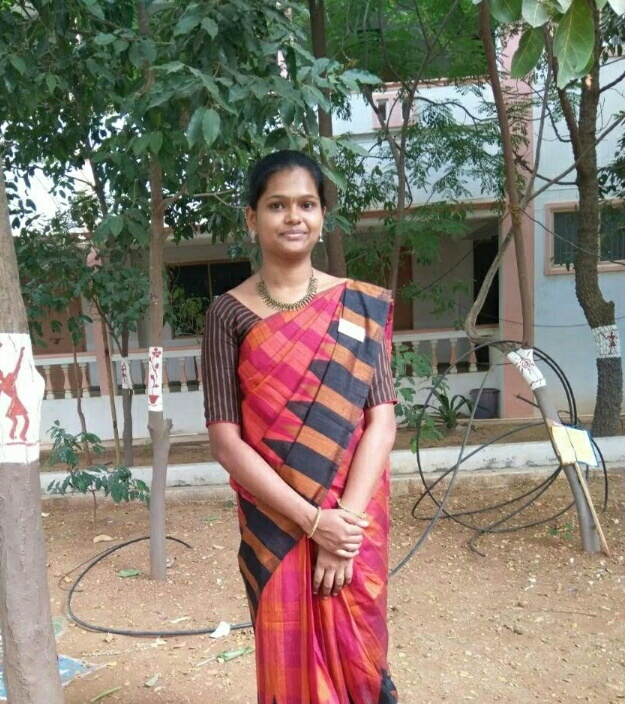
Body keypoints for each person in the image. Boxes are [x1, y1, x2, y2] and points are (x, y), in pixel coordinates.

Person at [201, 150, 399, 704]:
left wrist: (343, 530)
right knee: (290, 663)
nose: (294, 217)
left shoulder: (358, 306)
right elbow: (225, 441)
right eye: (277, 205)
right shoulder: (227, 314)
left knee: (362, 661)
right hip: (277, 526)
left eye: (307, 204)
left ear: (322, 215)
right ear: (251, 217)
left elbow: (381, 421)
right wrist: (314, 523)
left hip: (353, 524)